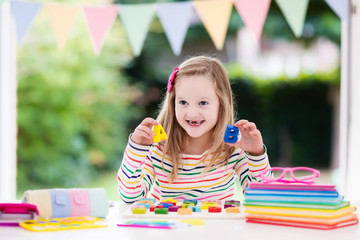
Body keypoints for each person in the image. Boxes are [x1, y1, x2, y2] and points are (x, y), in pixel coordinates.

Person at [117, 55, 271, 203]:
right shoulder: (158, 147)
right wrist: (137, 149)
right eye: (183, 102)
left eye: (203, 103)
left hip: (218, 230)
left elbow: (263, 199)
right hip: (168, 229)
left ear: (221, 104)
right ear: (173, 103)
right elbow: (130, 196)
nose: (192, 113)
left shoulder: (233, 148)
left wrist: (256, 154)